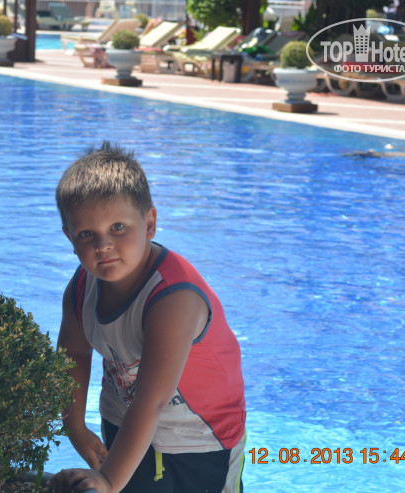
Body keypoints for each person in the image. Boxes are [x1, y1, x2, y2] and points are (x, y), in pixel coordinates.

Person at [50, 142, 247, 493]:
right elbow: (73, 355)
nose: (103, 245)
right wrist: (75, 427)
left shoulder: (173, 298)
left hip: (200, 438)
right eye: (86, 234)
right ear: (69, 237)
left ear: (150, 223)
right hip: (124, 420)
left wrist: (108, 480)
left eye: (118, 227)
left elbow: (152, 400)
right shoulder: (81, 287)